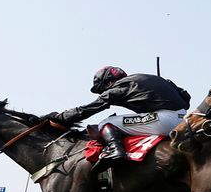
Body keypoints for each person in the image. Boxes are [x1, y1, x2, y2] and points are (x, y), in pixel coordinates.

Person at [48, 66, 191, 172]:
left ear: (108, 83)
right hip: (183, 120)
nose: (104, 93)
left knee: (106, 123)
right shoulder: (148, 78)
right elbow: (186, 97)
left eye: (103, 89)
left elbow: (88, 109)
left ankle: (115, 150)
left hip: (164, 120)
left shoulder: (120, 86)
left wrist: (60, 117)